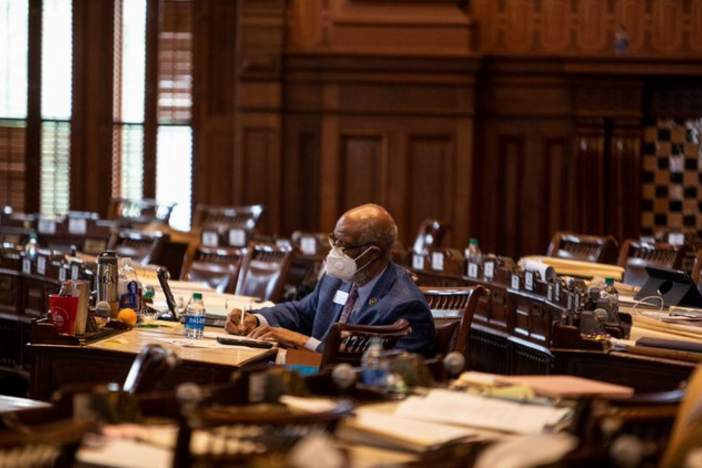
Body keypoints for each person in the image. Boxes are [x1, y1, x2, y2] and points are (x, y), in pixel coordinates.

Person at [225, 203, 437, 357]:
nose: (334, 252)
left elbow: (374, 366)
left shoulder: (405, 305)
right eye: (333, 241)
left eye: (343, 245)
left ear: (372, 254)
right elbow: (301, 312)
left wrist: (302, 341)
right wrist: (255, 319)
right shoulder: (337, 279)